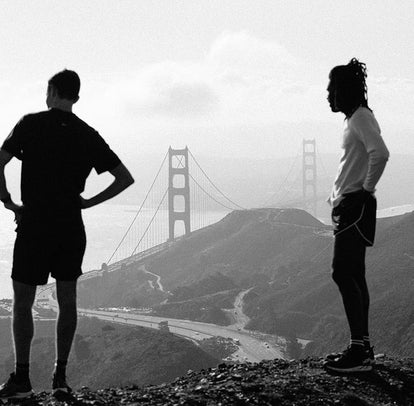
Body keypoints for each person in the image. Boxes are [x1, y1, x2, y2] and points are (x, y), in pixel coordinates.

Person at [0, 70, 134, 399]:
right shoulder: (87, 134)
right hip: (70, 227)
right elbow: (124, 178)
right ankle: (60, 377)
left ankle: (22, 378)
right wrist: (87, 202)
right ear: (75, 96)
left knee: (22, 304)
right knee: (68, 302)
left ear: (53, 91)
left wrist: (8, 202)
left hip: (34, 226)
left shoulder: (29, 124)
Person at [324, 58, 389, 373]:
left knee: (342, 272)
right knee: (355, 275)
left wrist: (364, 190)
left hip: (355, 206)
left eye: (332, 88)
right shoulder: (354, 119)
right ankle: (362, 346)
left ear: (346, 89)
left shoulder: (361, 118)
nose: (328, 95)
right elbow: (356, 161)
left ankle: (358, 351)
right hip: (349, 204)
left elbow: (381, 153)